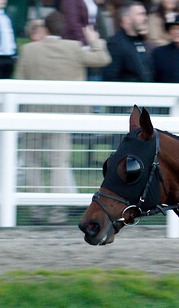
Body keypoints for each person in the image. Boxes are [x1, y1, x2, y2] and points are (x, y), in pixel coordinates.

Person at [14, 12, 112, 224]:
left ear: (46, 29)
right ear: (63, 29)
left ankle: (37, 211)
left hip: (33, 113)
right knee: (58, 163)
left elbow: (19, 81)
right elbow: (102, 58)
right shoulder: (74, 48)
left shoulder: (29, 49)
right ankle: (57, 213)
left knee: (32, 162)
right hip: (63, 115)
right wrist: (95, 39)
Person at [102, 1, 154, 82]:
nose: (145, 18)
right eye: (140, 14)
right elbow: (110, 77)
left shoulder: (142, 42)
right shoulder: (116, 44)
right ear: (126, 19)